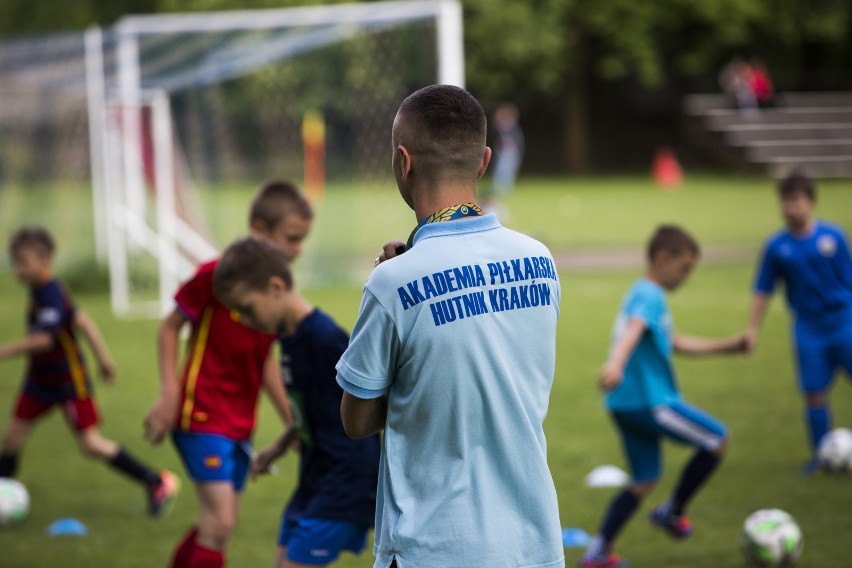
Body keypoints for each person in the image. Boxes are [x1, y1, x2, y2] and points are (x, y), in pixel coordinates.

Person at [336, 84, 565, 568]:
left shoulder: (392, 283)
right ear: (484, 161)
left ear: (403, 161)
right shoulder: (540, 261)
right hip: (534, 544)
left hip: (433, 548)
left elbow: (356, 421)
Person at [144, 180, 311, 568]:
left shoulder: (275, 291)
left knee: (216, 524)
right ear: (259, 230)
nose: (297, 249)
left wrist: (292, 421)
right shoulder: (217, 275)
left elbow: (264, 359)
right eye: (290, 238)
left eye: (302, 240)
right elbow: (169, 327)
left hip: (239, 422)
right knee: (221, 520)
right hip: (200, 412)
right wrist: (169, 392)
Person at [580, 225, 747, 568]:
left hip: (623, 404)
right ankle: (672, 512)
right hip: (648, 401)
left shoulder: (643, 293)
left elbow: (673, 343)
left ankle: (598, 552)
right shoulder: (649, 294)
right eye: (684, 267)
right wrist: (615, 364)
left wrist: (727, 346)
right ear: (661, 259)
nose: (686, 276)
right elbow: (634, 329)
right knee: (717, 439)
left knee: (644, 479)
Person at [212, 237, 380, 568]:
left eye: (247, 308)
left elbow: (369, 397)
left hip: (345, 482)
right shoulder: (288, 335)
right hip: (314, 477)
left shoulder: (323, 337)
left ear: (276, 287)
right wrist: (281, 443)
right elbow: (314, 408)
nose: (245, 320)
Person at [0, 226, 179, 516]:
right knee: (12, 436)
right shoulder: (41, 290)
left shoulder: (51, 292)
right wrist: (104, 359)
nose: (18, 269)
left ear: (45, 260)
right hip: (39, 380)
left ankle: (156, 481)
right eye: (15, 262)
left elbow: (45, 341)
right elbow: (82, 320)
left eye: (23, 262)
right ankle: (3, 494)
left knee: (91, 444)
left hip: (70, 381)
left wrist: (5, 351)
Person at [745, 171, 852, 475]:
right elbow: (762, 290)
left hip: (844, 321)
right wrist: (752, 329)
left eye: (797, 201)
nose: (791, 208)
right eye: (786, 202)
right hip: (808, 328)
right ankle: (822, 457)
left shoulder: (833, 237)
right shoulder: (777, 247)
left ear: (811, 203)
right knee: (814, 392)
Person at [483, 102, 524, 220]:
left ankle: (504, 189)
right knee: (501, 172)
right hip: (504, 155)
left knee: (505, 172)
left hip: (509, 155)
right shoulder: (503, 129)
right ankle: (500, 189)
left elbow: (514, 144)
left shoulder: (512, 130)